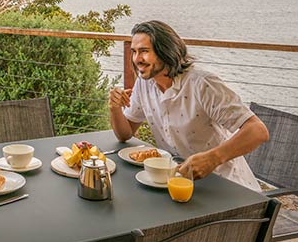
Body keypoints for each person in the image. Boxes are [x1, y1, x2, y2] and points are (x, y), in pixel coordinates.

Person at [109, 20, 269, 191]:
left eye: (144, 51)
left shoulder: (203, 84)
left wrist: (213, 158)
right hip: (178, 184)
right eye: (133, 52)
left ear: (166, 51)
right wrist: (114, 108)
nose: (136, 59)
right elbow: (125, 134)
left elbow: (258, 131)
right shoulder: (144, 84)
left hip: (227, 187)